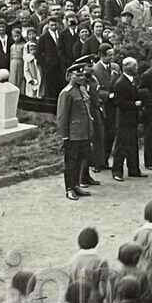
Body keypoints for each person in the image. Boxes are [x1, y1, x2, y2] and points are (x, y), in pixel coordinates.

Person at [55, 59, 93, 201]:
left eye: (83, 75)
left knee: (80, 160)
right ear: (71, 76)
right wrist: (65, 136)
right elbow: (62, 117)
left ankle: (76, 184)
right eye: (79, 75)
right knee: (70, 162)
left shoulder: (81, 90)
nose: (82, 78)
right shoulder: (67, 93)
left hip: (83, 132)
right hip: (73, 134)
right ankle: (69, 188)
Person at [111, 56, 145, 181]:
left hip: (132, 119)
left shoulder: (132, 81)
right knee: (121, 146)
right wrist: (134, 104)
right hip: (124, 120)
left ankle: (134, 169)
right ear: (126, 67)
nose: (136, 68)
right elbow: (119, 102)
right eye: (134, 65)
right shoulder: (120, 83)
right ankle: (117, 171)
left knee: (132, 145)